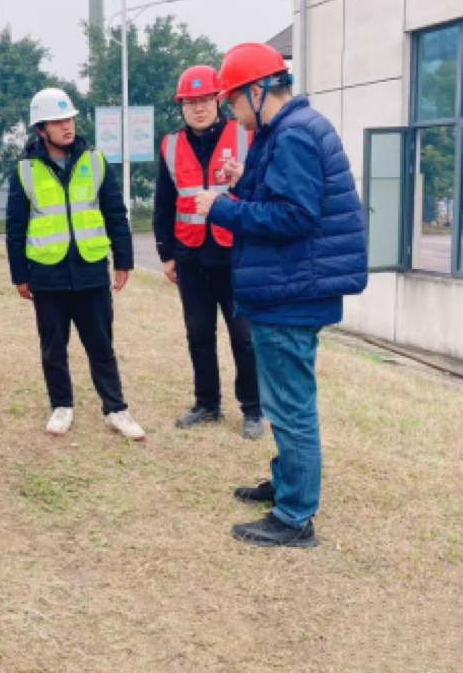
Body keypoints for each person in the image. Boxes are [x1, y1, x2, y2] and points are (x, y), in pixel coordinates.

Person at [194, 43, 367, 548]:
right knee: (284, 399)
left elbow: (294, 217)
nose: (230, 111)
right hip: (290, 288)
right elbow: (285, 197)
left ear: (257, 90)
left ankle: (294, 517)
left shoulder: (292, 134)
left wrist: (221, 207)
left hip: (291, 294)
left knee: (290, 407)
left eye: (232, 99)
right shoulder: (288, 129)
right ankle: (287, 483)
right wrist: (243, 181)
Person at [6, 87, 144, 441]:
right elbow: (15, 227)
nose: (67, 126)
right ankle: (61, 406)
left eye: (69, 119)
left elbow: (115, 213)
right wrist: (20, 275)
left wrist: (123, 260)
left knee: (101, 345)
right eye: (57, 122)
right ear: (41, 129)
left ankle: (116, 408)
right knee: (54, 348)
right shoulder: (25, 170)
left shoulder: (95, 162)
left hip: (91, 270)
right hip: (47, 274)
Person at [154, 65, 265, 440]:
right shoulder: (170, 146)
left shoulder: (246, 135)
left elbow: (263, 192)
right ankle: (207, 404)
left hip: (235, 254)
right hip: (190, 255)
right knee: (199, 334)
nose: (198, 108)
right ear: (181, 106)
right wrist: (166, 254)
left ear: (219, 101)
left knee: (243, 337)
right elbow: (164, 204)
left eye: (205, 100)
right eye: (190, 102)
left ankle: (253, 409)